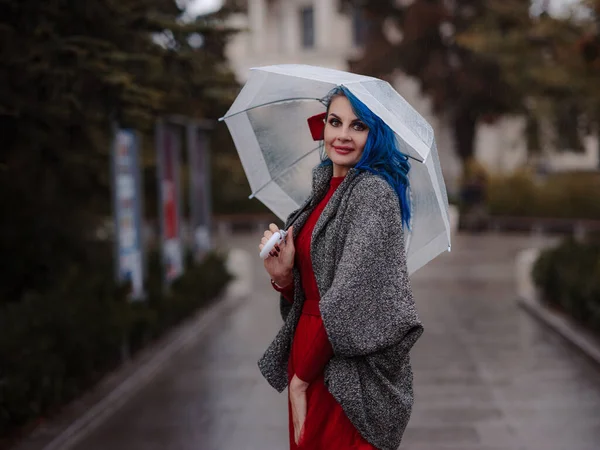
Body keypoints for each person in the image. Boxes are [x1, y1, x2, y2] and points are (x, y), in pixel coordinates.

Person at [257, 86, 424, 450]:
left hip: (342, 369)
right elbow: (311, 287)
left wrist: (301, 380)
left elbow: (350, 297)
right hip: (309, 349)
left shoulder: (372, 193)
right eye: (335, 122)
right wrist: (283, 277)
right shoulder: (324, 190)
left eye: (358, 125)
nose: (342, 135)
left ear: (375, 134)